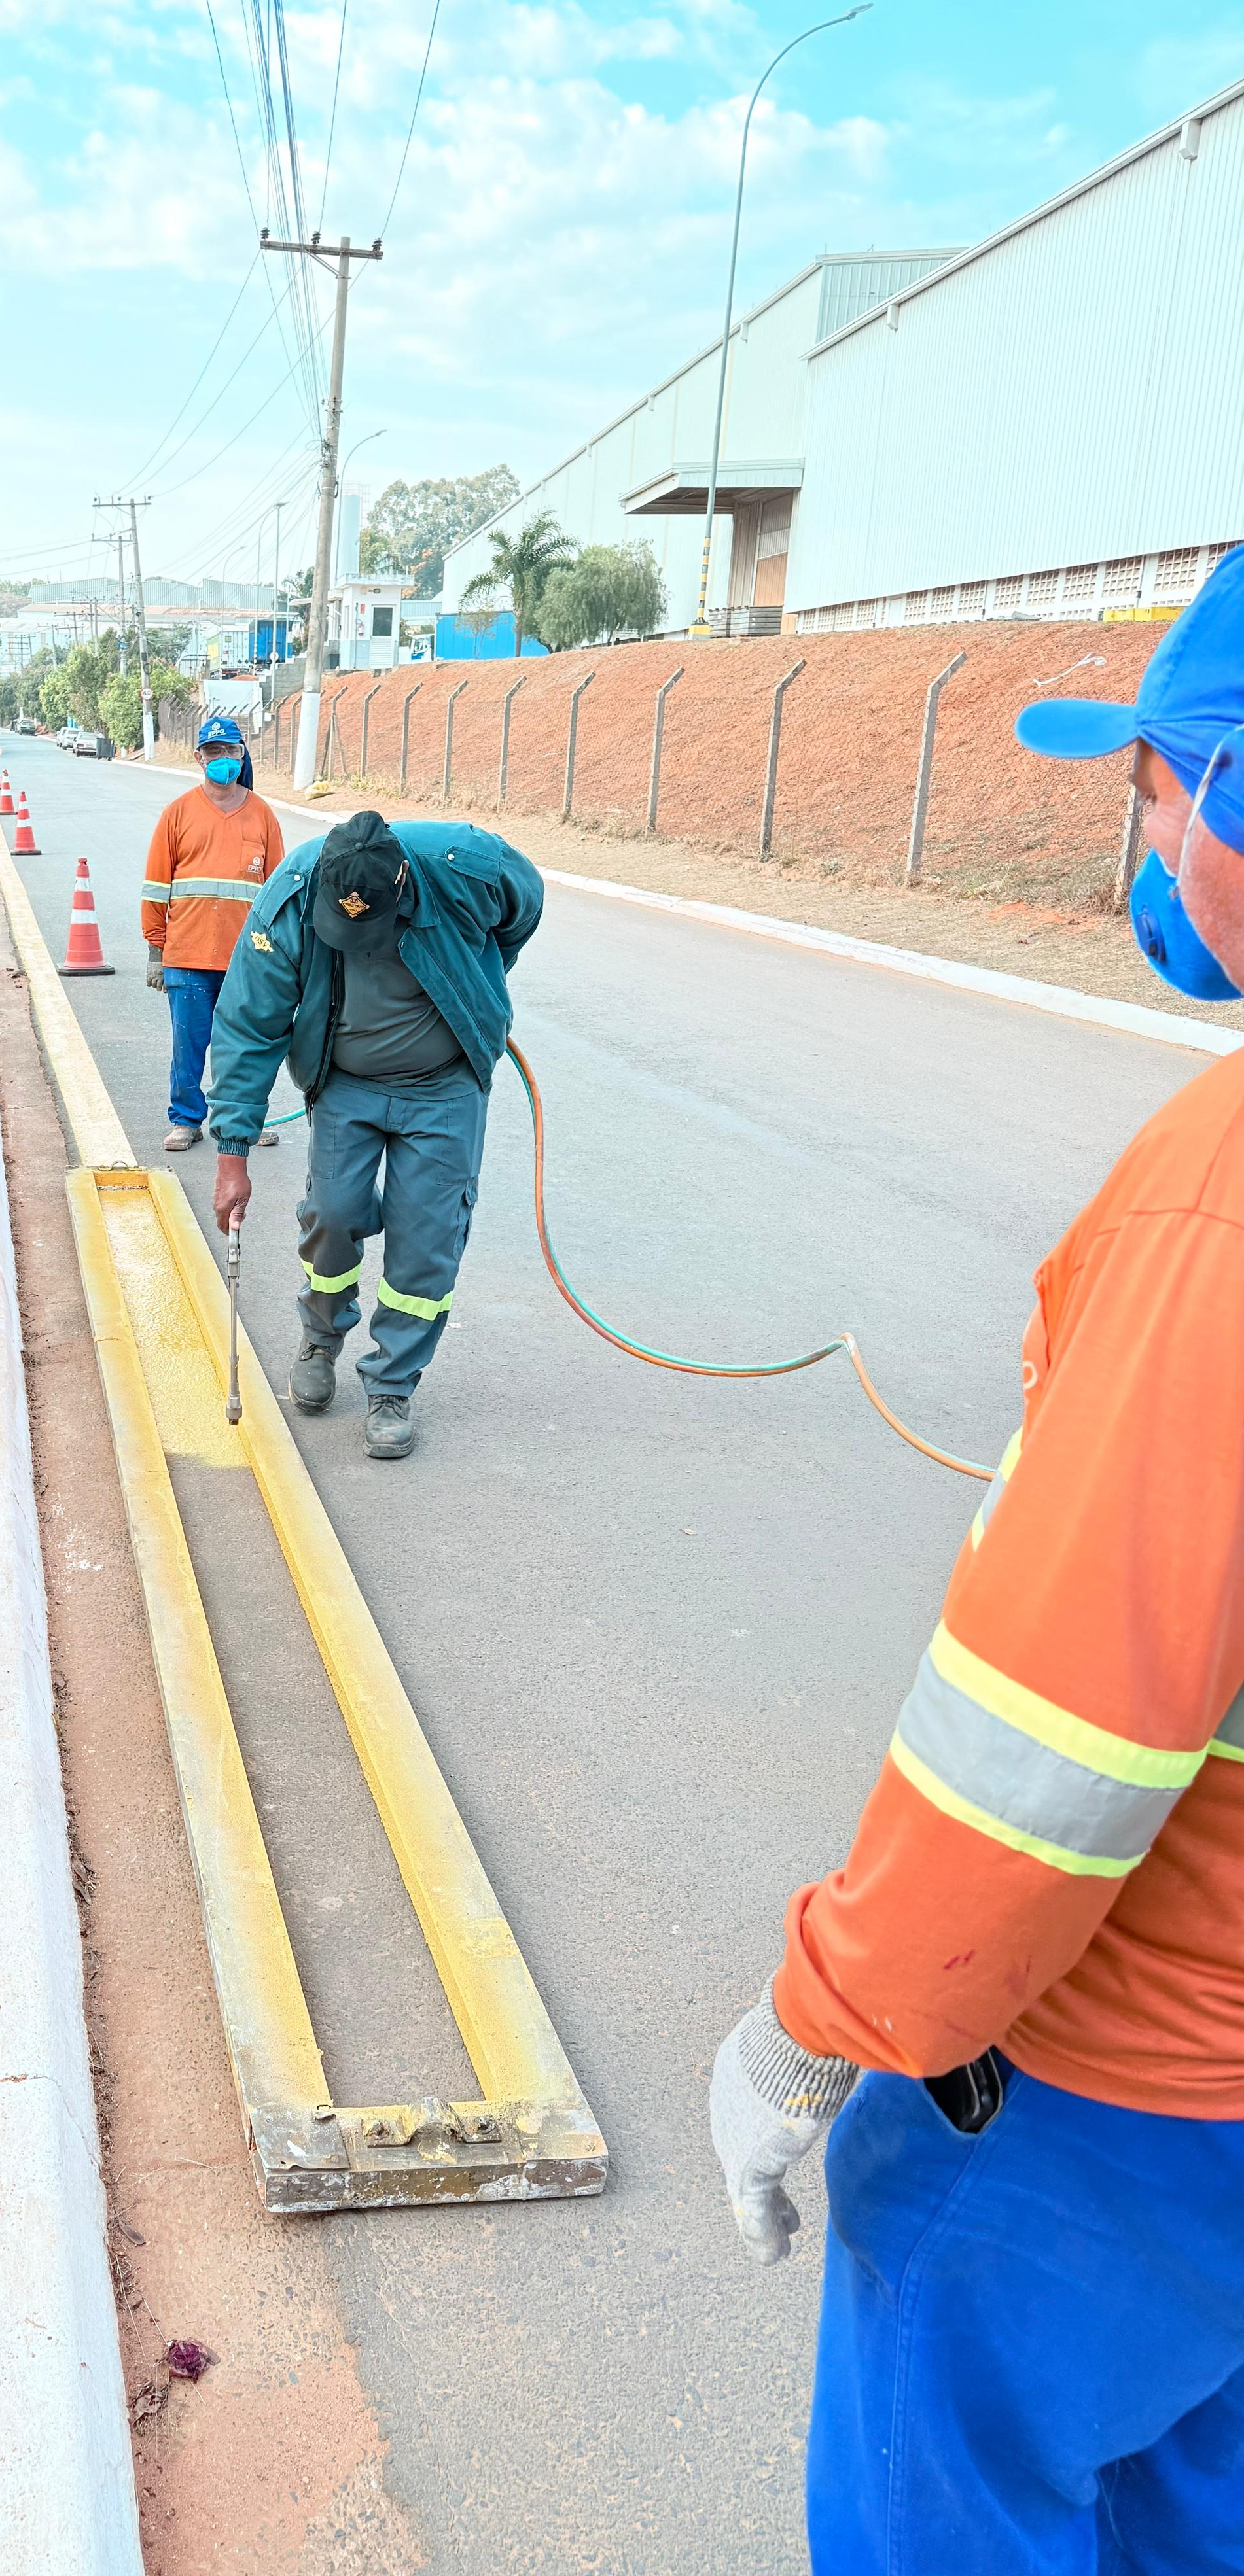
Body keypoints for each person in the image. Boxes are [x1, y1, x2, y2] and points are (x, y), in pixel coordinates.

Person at [709, 544, 1244, 2576]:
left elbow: (1038, 1758)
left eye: (1153, 787)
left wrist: (809, 2026)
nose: (1145, 835)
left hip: (1123, 2111)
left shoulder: (1208, 1209)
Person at [206, 807, 543, 1461]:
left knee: (427, 1238)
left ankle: (392, 1384)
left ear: (403, 885)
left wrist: (480, 982)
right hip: (347, 1085)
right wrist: (232, 1151)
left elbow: (521, 911)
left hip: (444, 1087)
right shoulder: (297, 894)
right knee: (333, 1215)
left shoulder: (464, 865)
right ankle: (321, 1335)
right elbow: (250, 1022)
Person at [140, 715, 285, 1154]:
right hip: (186, 954)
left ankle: (241, 1121)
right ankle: (186, 1120)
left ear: (243, 755)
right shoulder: (178, 813)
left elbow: (279, 890)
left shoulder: (261, 814)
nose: (225, 759)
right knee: (189, 1044)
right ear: (199, 757)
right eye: (215, 752)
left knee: (242, 1046)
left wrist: (281, 957)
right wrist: (155, 950)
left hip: (247, 959)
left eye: (232, 751)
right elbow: (155, 886)